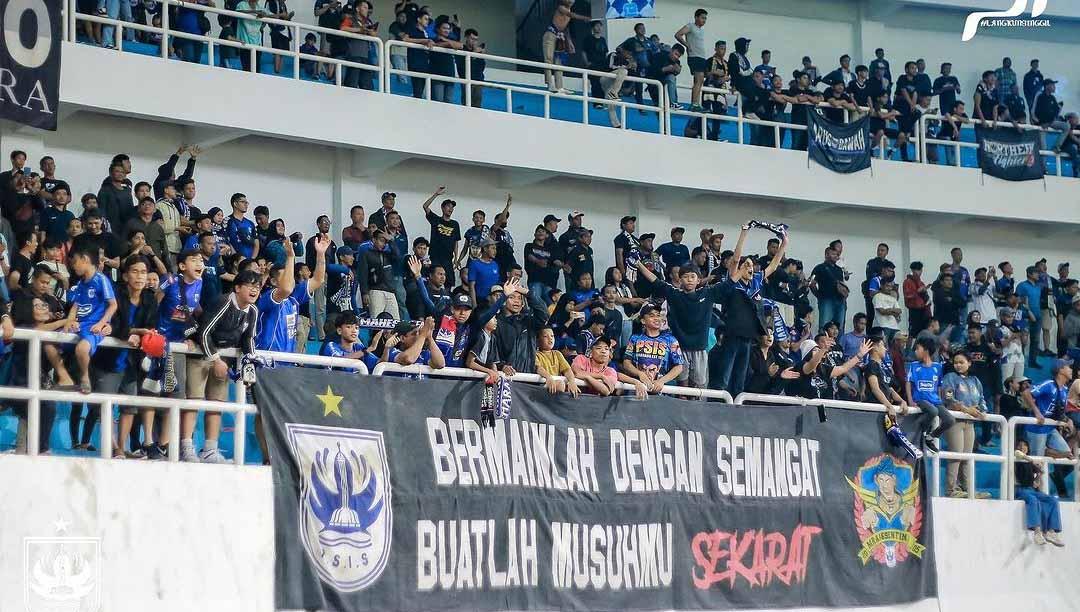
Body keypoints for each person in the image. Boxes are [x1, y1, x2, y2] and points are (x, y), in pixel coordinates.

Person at [192, 269, 261, 464]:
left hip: (224, 362)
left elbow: (249, 340)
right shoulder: (223, 302)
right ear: (237, 288)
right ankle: (186, 447)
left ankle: (209, 450)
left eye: (258, 287)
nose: (255, 290)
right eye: (250, 285)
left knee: (217, 403)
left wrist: (250, 362)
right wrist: (215, 359)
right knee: (193, 401)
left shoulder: (253, 311)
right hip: (201, 357)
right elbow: (204, 332)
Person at [93, 255, 158, 458]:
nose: (140, 276)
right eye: (135, 271)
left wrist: (140, 333)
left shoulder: (149, 298)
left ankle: (122, 447)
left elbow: (151, 326)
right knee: (106, 406)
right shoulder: (115, 295)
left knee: (129, 407)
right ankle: (113, 447)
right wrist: (133, 331)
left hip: (132, 362)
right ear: (125, 275)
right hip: (106, 360)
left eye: (144, 272)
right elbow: (111, 325)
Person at [64, 248, 118, 394]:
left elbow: (113, 305)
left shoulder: (101, 280)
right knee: (50, 344)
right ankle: (63, 377)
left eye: (75, 262)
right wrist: (70, 320)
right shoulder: (81, 283)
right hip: (79, 325)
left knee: (81, 349)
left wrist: (101, 323)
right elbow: (76, 305)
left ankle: (85, 377)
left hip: (94, 326)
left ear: (85, 259)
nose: (73, 266)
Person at [940, 351, 990, 498]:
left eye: (961, 362)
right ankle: (951, 490)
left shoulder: (975, 380)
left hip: (970, 422)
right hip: (955, 421)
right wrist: (965, 409)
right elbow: (948, 397)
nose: (958, 365)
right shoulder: (950, 377)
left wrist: (982, 411)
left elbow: (982, 399)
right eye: (956, 362)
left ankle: (968, 490)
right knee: (956, 455)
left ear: (969, 363)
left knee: (967, 457)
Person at [905, 336, 956, 453]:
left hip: (934, 400)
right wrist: (910, 400)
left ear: (926, 350)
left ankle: (930, 437)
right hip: (920, 399)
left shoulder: (938, 367)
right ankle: (920, 431)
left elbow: (938, 385)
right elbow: (908, 383)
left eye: (917, 349)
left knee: (950, 420)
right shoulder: (914, 365)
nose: (915, 351)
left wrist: (940, 399)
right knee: (933, 411)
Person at [621, 302, 683, 393]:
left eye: (658, 315)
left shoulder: (671, 339)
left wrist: (662, 381)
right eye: (652, 315)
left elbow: (679, 367)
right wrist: (640, 374)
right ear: (643, 320)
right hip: (639, 389)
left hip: (662, 391)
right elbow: (626, 363)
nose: (656, 318)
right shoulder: (635, 338)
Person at [1014, 438, 1064, 546]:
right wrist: (1032, 462)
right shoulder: (1017, 457)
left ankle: (1051, 532)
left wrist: (1040, 474)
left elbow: (1035, 485)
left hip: (1031, 490)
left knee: (1053, 500)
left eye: (1025, 445)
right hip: (1020, 490)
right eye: (1020, 445)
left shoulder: (1031, 463)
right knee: (1033, 500)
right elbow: (1018, 453)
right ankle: (1037, 532)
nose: (1022, 447)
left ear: (1028, 448)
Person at [1023, 360, 1074, 459]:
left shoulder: (1065, 389)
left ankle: (1044, 451)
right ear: (1061, 370)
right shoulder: (1048, 384)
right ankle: (1041, 452)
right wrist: (1037, 412)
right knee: (1037, 462)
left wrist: (1068, 420)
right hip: (1037, 428)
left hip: (1050, 427)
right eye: (1069, 367)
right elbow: (1026, 392)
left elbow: (1059, 411)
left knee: (1066, 452)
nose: (1071, 370)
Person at [542, 0, 589, 94]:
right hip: (551, 34)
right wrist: (584, 18)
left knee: (559, 61)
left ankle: (559, 87)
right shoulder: (561, 8)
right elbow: (571, 14)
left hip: (561, 36)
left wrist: (570, 42)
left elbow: (566, 28)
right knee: (548, 59)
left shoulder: (569, 9)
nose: (571, 1)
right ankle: (550, 84)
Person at [421, 186, 460, 286]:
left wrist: (456, 258)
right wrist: (436, 194)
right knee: (432, 282)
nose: (450, 209)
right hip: (435, 257)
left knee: (449, 283)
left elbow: (456, 242)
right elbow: (425, 206)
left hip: (448, 258)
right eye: (448, 206)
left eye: (452, 207)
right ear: (442, 208)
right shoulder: (436, 220)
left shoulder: (455, 224)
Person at [674, 9, 708, 111]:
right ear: (696, 17)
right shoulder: (690, 26)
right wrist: (687, 45)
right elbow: (678, 34)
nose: (704, 20)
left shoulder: (701, 30)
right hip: (695, 57)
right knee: (699, 78)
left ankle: (696, 103)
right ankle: (694, 104)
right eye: (702, 18)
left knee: (699, 80)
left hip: (701, 57)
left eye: (705, 18)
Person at [536, 326, 580, 396]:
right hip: (542, 387)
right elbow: (538, 368)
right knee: (560, 384)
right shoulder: (535, 354)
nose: (550, 338)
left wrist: (572, 382)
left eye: (552, 336)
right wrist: (549, 378)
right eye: (545, 336)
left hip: (555, 388)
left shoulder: (557, 353)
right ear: (537, 340)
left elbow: (567, 370)